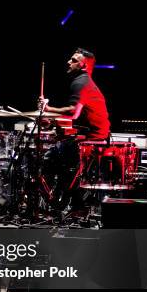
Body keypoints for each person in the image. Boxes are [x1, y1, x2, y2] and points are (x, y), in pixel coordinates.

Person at [38, 48, 111, 210]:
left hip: (93, 139)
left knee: (50, 157)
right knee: (61, 151)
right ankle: (68, 198)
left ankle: (60, 200)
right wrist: (52, 122)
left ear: (83, 65)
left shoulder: (81, 82)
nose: (68, 62)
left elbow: (72, 112)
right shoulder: (84, 82)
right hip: (91, 135)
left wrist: (48, 108)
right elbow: (78, 116)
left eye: (73, 60)